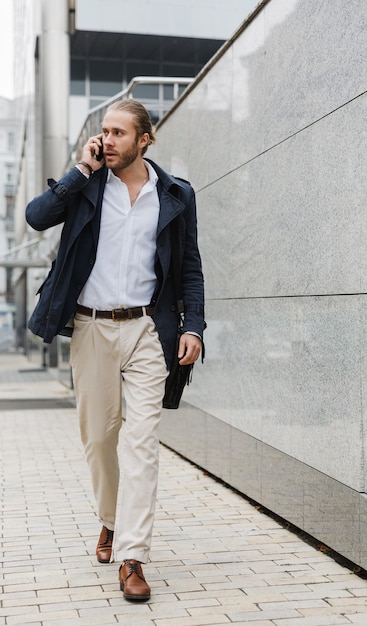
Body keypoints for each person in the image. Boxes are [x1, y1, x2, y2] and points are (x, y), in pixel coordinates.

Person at [25, 100, 205, 602]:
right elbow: (37, 218)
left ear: (145, 139)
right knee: (100, 439)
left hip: (148, 330)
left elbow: (189, 265)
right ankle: (110, 519)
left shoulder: (174, 195)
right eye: (104, 131)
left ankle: (133, 555)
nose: (108, 139)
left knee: (141, 442)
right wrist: (80, 168)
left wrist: (195, 327)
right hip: (91, 328)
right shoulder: (87, 186)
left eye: (118, 132)